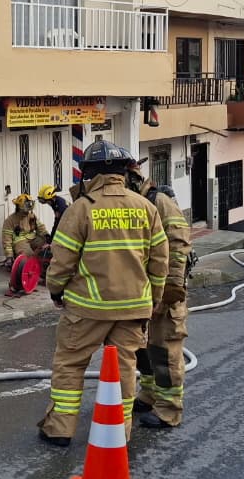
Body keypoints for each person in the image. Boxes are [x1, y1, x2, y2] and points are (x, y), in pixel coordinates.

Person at [38, 140, 169, 447]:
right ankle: (117, 434)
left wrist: (56, 291)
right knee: (125, 370)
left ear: (90, 174)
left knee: (70, 365)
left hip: (87, 309)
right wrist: (154, 299)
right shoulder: (146, 208)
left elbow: (62, 260)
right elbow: (160, 263)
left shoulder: (81, 210)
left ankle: (60, 429)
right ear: (124, 172)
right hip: (133, 309)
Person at [126, 158, 192, 430]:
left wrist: (171, 288)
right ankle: (149, 393)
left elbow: (179, 242)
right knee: (143, 349)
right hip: (140, 290)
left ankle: (168, 409)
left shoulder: (158, 201)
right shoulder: (129, 204)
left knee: (164, 349)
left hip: (163, 290)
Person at [2, 193, 44, 265]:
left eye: (28, 210)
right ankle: (25, 262)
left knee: (45, 246)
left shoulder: (31, 215)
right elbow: (6, 239)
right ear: (18, 208)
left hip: (32, 238)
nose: (27, 212)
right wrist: (9, 256)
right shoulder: (10, 220)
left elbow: (40, 227)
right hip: (20, 241)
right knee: (28, 255)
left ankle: (40, 263)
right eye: (25, 210)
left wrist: (46, 235)